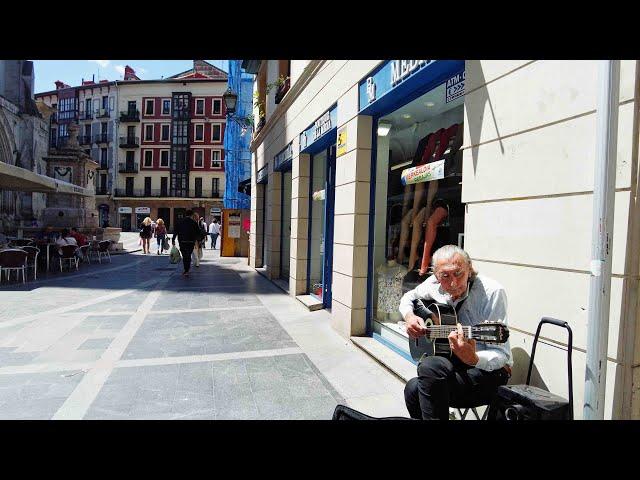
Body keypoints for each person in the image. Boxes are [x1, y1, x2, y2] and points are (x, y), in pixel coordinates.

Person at [400, 244, 512, 420]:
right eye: (445, 276)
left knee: (429, 369)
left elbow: (502, 355)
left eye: (458, 273)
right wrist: (409, 317)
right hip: (455, 365)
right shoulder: (434, 285)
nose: (453, 283)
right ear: (436, 276)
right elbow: (408, 297)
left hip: (489, 373)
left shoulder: (491, 292)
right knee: (412, 389)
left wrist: (474, 358)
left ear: (470, 269)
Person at [172, 210, 201, 276]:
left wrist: (173, 240)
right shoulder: (194, 222)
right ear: (191, 215)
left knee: (185, 256)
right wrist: (198, 241)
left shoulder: (179, 222)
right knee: (188, 255)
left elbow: (175, 232)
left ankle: (186, 270)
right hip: (191, 242)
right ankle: (187, 270)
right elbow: (198, 232)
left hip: (182, 241)